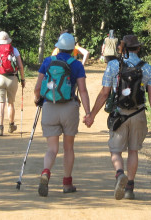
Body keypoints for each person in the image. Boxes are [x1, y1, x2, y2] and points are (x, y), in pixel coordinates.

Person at [84, 35, 151, 200]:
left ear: (122, 48)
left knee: (115, 150)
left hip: (119, 115)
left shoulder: (114, 66)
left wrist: (91, 115)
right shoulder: (148, 68)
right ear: (138, 48)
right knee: (133, 150)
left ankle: (120, 174)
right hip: (139, 113)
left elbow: (104, 94)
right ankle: (129, 188)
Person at [34, 33, 91, 197]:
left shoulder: (48, 61)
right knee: (68, 148)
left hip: (50, 107)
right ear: (73, 48)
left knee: (51, 149)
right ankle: (67, 183)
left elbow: (38, 87)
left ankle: (46, 172)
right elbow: (83, 91)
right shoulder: (77, 64)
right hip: (69, 108)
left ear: (58, 46)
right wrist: (88, 113)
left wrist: (37, 99)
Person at [0, 31, 25, 136]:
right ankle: (11, 125)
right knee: (11, 104)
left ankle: (0, 128)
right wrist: (23, 79)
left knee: (1, 104)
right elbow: (20, 66)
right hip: (12, 79)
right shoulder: (14, 50)